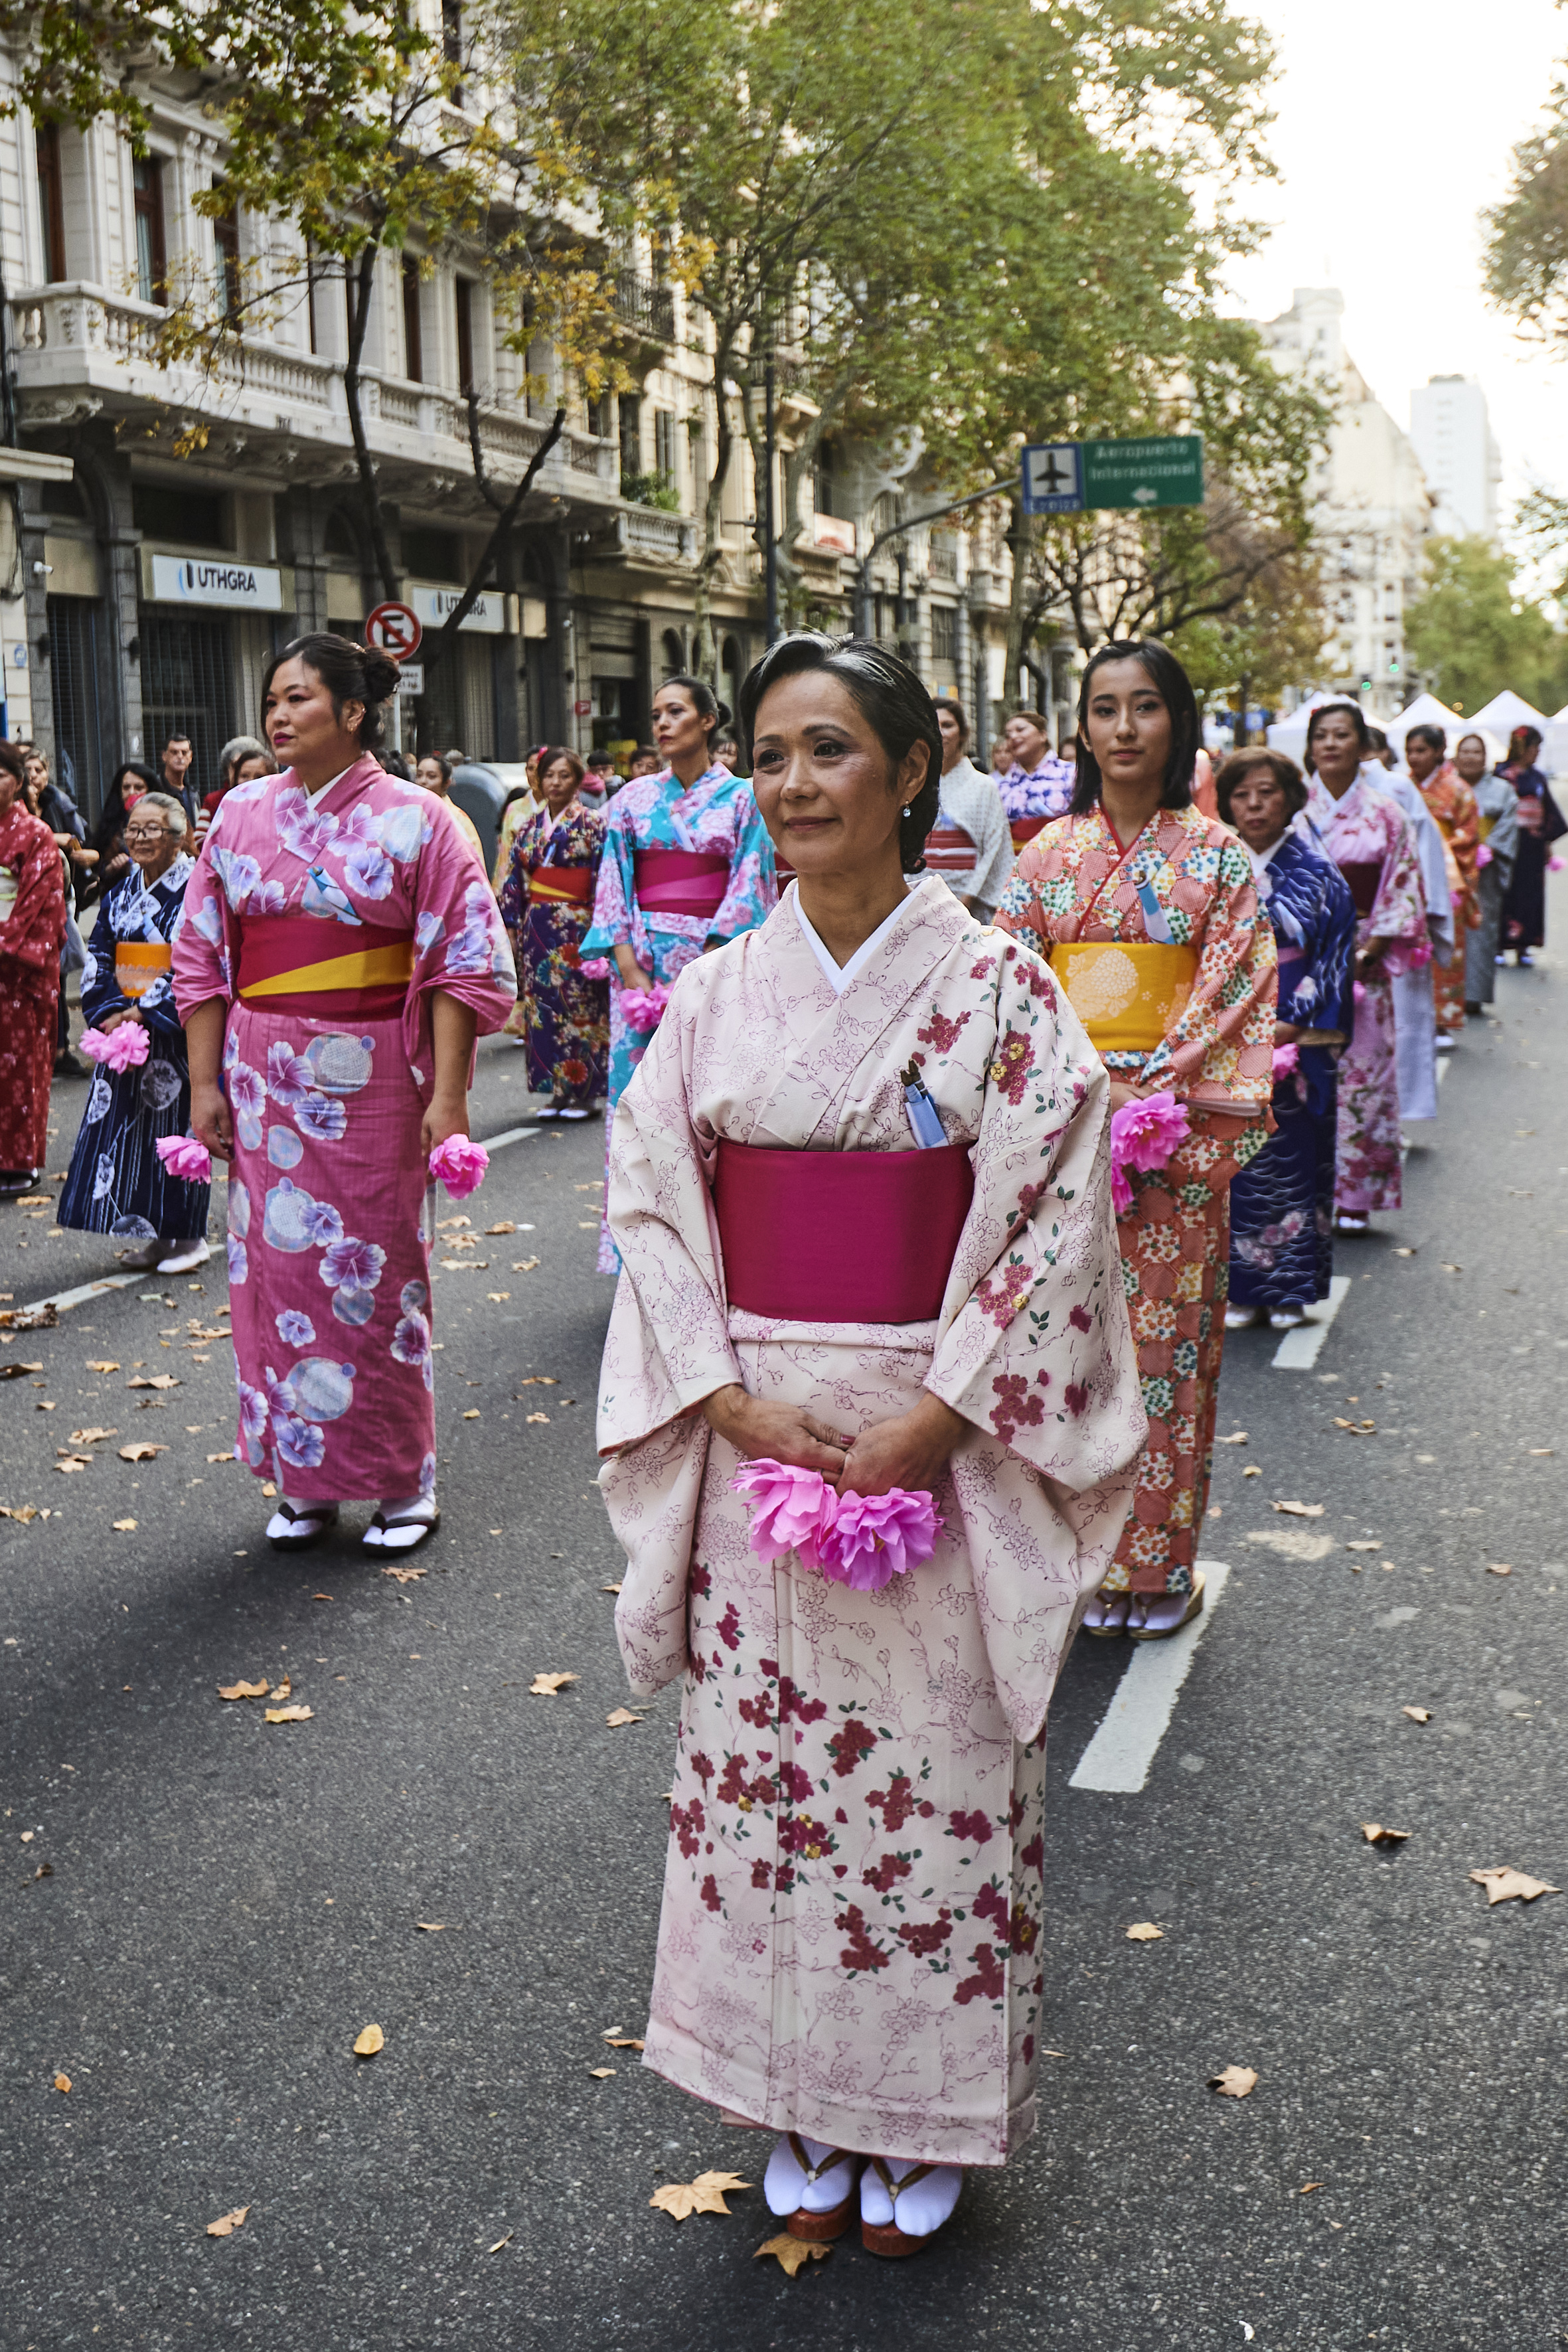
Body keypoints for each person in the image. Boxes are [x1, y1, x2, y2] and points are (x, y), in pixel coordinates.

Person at [597, 630, 1142, 2259]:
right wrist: (720, 1397)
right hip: (757, 1433)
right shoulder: (715, 993)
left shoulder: (998, 988)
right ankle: (790, 2098)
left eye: (828, 749)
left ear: (910, 773)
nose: (792, 783)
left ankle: (917, 2112)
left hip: (941, 1431)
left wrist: (944, 1408)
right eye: (769, 754)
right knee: (764, 1781)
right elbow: (651, 1201)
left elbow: (1055, 1219)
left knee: (929, 1781)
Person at [172, 634, 515, 1555]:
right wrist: (204, 1082)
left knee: (375, 1276)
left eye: (299, 698)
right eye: (272, 700)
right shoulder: (239, 812)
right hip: (263, 1075)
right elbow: (200, 953)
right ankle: (305, 1478)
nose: (279, 715)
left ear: (353, 711)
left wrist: (449, 1098)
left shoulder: (421, 819)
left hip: (372, 1077)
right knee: (276, 1276)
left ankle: (402, 1478)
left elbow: (460, 962)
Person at [994, 639, 1277, 1636]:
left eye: (1144, 706)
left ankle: (1152, 1569)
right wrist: (1078, 1095)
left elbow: (1235, 997)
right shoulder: (1044, 855)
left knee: (1163, 1353)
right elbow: (1012, 994)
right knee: (1059, 1355)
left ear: (1176, 722)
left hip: (1171, 1138)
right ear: (1080, 727)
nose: (1123, 727)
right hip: (1063, 1136)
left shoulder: (1218, 858)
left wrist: (1149, 1096)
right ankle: (1073, 1563)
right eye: (1104, 707)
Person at [580, 674, 775, 1272]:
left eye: (675, 712)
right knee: (640, 1105)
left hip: (715, 965)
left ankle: (717, 1251)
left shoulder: (744, 798)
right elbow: (612, 882)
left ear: (708, 720)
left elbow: (750, 881)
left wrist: (708, 964)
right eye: (656, 714)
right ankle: (637, 1254)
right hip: (641, 967)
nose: (662, 724)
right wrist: (628, 966)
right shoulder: (630, 800)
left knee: (712, 1103)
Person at [1217, 751, 1355, 1332]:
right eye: (1241, 794)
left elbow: (1334, 956)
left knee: (1295, 1154)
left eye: (1267, 792)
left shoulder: (1320, 874)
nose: (1254, 805)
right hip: (1226, 1030)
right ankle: (1242, 1288)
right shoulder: (1215, 867)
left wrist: (1294, 1022)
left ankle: (1289, 1291)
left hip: (1296, 1029)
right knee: (1235, 1161)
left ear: (1291, 798)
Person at [56, 791, 212, 1273]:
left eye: (152, 830)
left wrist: (144, 1011)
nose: (140, 839)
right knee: (129, 1135)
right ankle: (154, 1237)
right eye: (134, 830)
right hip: (123, 1031)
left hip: (173, 1030)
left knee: (177, 1133)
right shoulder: (122, 890)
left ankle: (189, 1238)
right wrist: (109, 1010)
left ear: (179, 837)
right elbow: (101, 953)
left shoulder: (197, 888)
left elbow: (197, 958)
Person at [1299, 704, 1427, 1233]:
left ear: (1362, 745)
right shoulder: (1293, 811)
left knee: (1366, 1074)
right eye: (1321, 736)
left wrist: (1369, 951)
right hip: (1301, 959)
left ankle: (1356, 1195)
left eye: (1342, 734)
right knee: (1301, 1074)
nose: (1331, 744)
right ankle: (1305, 1188)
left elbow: (1403, 884)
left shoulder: (1386, 813)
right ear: (1310, 747)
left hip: (1362, 957)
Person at [497, 745, 609, 1119]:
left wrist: (603, 928)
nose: (555, 782)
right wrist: (512, 926)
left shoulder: (593, 824)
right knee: (543, 1008)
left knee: (582, 1006)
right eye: (549, 775)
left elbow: (605, 878)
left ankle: (586, 1093)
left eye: (564, 775)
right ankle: (557, 1091)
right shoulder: (528, 827)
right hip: (539, 928)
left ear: (577, 781)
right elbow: (514, 880)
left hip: (580, 925)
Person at [0, 740, 67, 1195]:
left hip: (18, 972)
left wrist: (7, 946)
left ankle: (19, 1162)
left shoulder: (35, 833)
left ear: (19, 782)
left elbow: (42, 905)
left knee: (21, 1065)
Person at [1402, 723, 1478, 1042]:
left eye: (1421, 750)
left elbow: (1468, 835)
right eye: (1410, 751)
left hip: (1446, 876)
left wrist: (1435, 849)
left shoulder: (1458, 790)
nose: (1414, 757)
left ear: (1438, 752)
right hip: (1407, 876)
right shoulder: (1400, 787)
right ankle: (1407, 1018)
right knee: (1407, 946)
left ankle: (1443, 1020)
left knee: (1446, 946)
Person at [926, 697, 1012, 919]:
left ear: (963, 733)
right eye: (934, 725)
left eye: (948, 725)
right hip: (923, 892)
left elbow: (994, 847)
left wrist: (968, 897)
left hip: (969, 893)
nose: (941, 732)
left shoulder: (984, 785)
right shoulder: (917, 783)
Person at [1455, 732, 1518, 1012]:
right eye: (1465, 751)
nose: (1470, 757)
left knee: (1481, 929)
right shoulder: (1447, 788)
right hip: (1450, 866)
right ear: (1456, 757)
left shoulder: (1502, 790)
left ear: (1485, 758)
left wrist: (1488, 848)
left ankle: (1474, 994)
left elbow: (1508, 824)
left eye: (1476, 752)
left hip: (1485, 868)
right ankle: (1447, 994)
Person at [1498, 726, 1566, 965]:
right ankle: (1500, 945)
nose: (1537, 752)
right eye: (1535, 746)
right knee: (1505, 891)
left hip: (1532, 845)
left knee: (1531, 893)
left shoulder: (1538, 777)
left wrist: (1547, 842)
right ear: (1523, 748)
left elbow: (1547, 810)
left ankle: (1524, 945)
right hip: (1507, 842)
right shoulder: (1502, 774)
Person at [990, 708, 1075, 849]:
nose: (1013, 736)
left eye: (1020, 730)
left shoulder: (1070, 773)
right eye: (1008, 734)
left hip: (1062, 853)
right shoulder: (1000, 784)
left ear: (1042, 735)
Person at [80, 761, 159, 908]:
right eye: (126, 787)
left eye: (139, 788)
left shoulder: (166, 821)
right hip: (118, 902)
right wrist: (110, 868)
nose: (132, 793)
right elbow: (98, 869)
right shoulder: (111, 826)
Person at [413, 751, 485, 864]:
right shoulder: (410, 813)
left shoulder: (457, 817)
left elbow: (473, 861)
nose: (423, 781)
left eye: (431, 776)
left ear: (446, 783)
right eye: (419, 775)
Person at [198, 737, 275, 843]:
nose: (251, 781)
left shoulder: (277, 802)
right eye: (237, 766)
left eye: (259, 776)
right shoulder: (214, 800)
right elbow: (200, 840)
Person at [160, 732, 197, 826]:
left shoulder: (193, 794)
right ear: (164, 756)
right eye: (174, 752)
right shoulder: (155, 789)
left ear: (191, 757)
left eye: (184, 753)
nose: (180, 756)